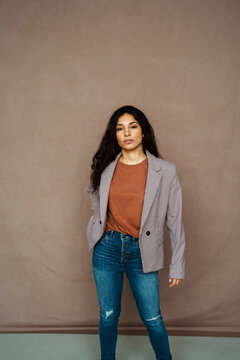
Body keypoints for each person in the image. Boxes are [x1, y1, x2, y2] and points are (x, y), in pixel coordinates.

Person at [86, 105, 186, 360]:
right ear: (115, 135)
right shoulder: (106, 168)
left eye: (133, 126)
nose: (126, 133)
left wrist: (177, 265)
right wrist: (98, 228)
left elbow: (175, 221)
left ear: (143, 132)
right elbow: (96, 200)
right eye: (120, 128)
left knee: (152, 317)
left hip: (142, 251)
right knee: (108, 315)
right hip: (106, 249)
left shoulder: (166, 171)